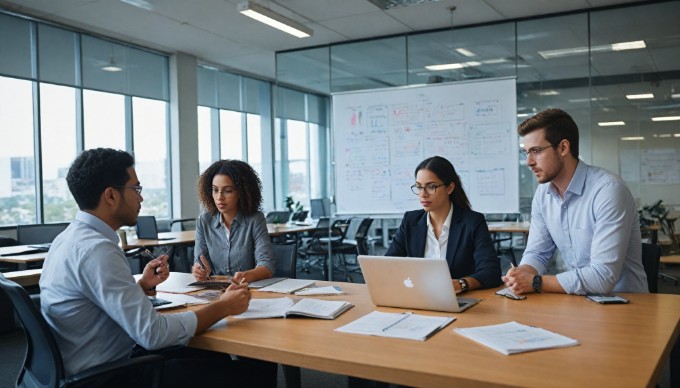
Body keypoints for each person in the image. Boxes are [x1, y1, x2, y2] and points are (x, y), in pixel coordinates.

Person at [40, 148, 276, 387]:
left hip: (93, 364)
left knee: (211, 354)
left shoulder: (68, 239)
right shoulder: (97, 250)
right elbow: (154, 334)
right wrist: (223, 306)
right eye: (136, 189)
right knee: (257, 369)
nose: (140, 198)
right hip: (111, 377)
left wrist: (141, 286)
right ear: (111, 196)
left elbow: (95, 300)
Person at [503, 108, 648, 295]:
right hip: (578, 300)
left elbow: (602, 277)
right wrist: (522, 273)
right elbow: (538, 253)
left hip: (626, 304)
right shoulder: (543, 194)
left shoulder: (608, 191)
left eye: (536, 151)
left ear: (563, 148)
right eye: (526, 153)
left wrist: (535, 282)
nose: (529, 162)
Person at [386, 156, 502, 292]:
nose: (423, 194)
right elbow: (388, 264)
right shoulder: (410, 221)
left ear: (450, 188)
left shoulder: (472, 222)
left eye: (431, 187)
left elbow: (491, 272)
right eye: (419, 187)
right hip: (418, 296)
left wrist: (461, 284)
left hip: (458, 299)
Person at [192, 159, 275, 284]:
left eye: (228, 191)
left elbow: (267, 266)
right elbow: (199, 262)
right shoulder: (204, 221)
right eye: (215, 190)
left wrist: (245, 276)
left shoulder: (255, 219)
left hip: (247, 291)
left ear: (241, 192)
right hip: (216, 292)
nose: (219, 197)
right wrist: (199, 270)